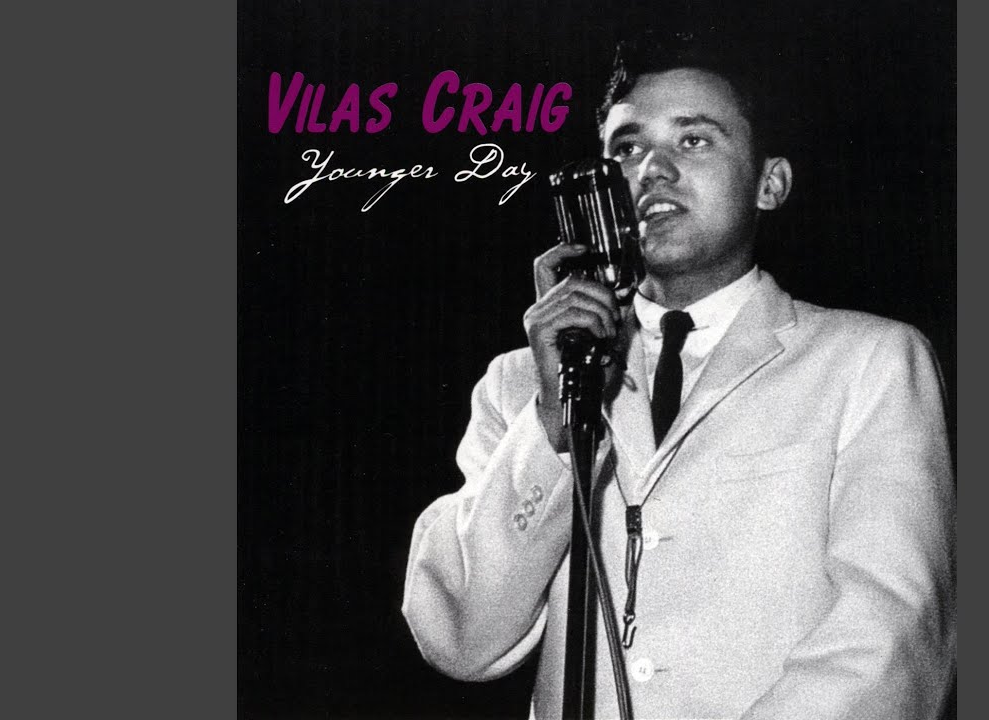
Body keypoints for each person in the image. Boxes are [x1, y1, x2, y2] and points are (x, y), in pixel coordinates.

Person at [403, 30, 956, 720]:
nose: (652, 170)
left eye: (693, 140)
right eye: (626, 149)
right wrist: (552, 423)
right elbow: (459, 639)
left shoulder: (870, 361)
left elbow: (891, 639)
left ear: (770, 183)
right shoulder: (522, 385)